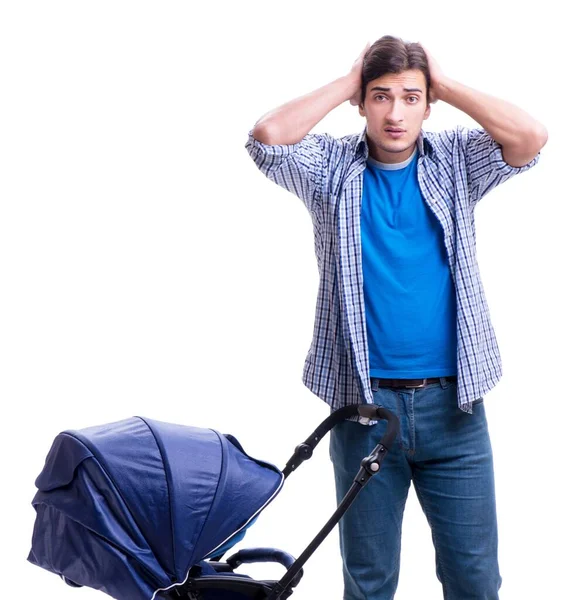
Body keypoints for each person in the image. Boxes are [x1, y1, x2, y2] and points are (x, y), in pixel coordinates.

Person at [245, 35, 547, 600]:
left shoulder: (454, 159)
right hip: (365, 411)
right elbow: (267, 137)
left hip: (454, 407)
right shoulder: (331, 168)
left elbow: (531, 139)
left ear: (428, 105)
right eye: (381, 97)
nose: (396, 112)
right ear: (363, 103)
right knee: (368, 581)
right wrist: (347, 80)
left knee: (475, 580)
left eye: (412, 98)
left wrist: (443, 82)